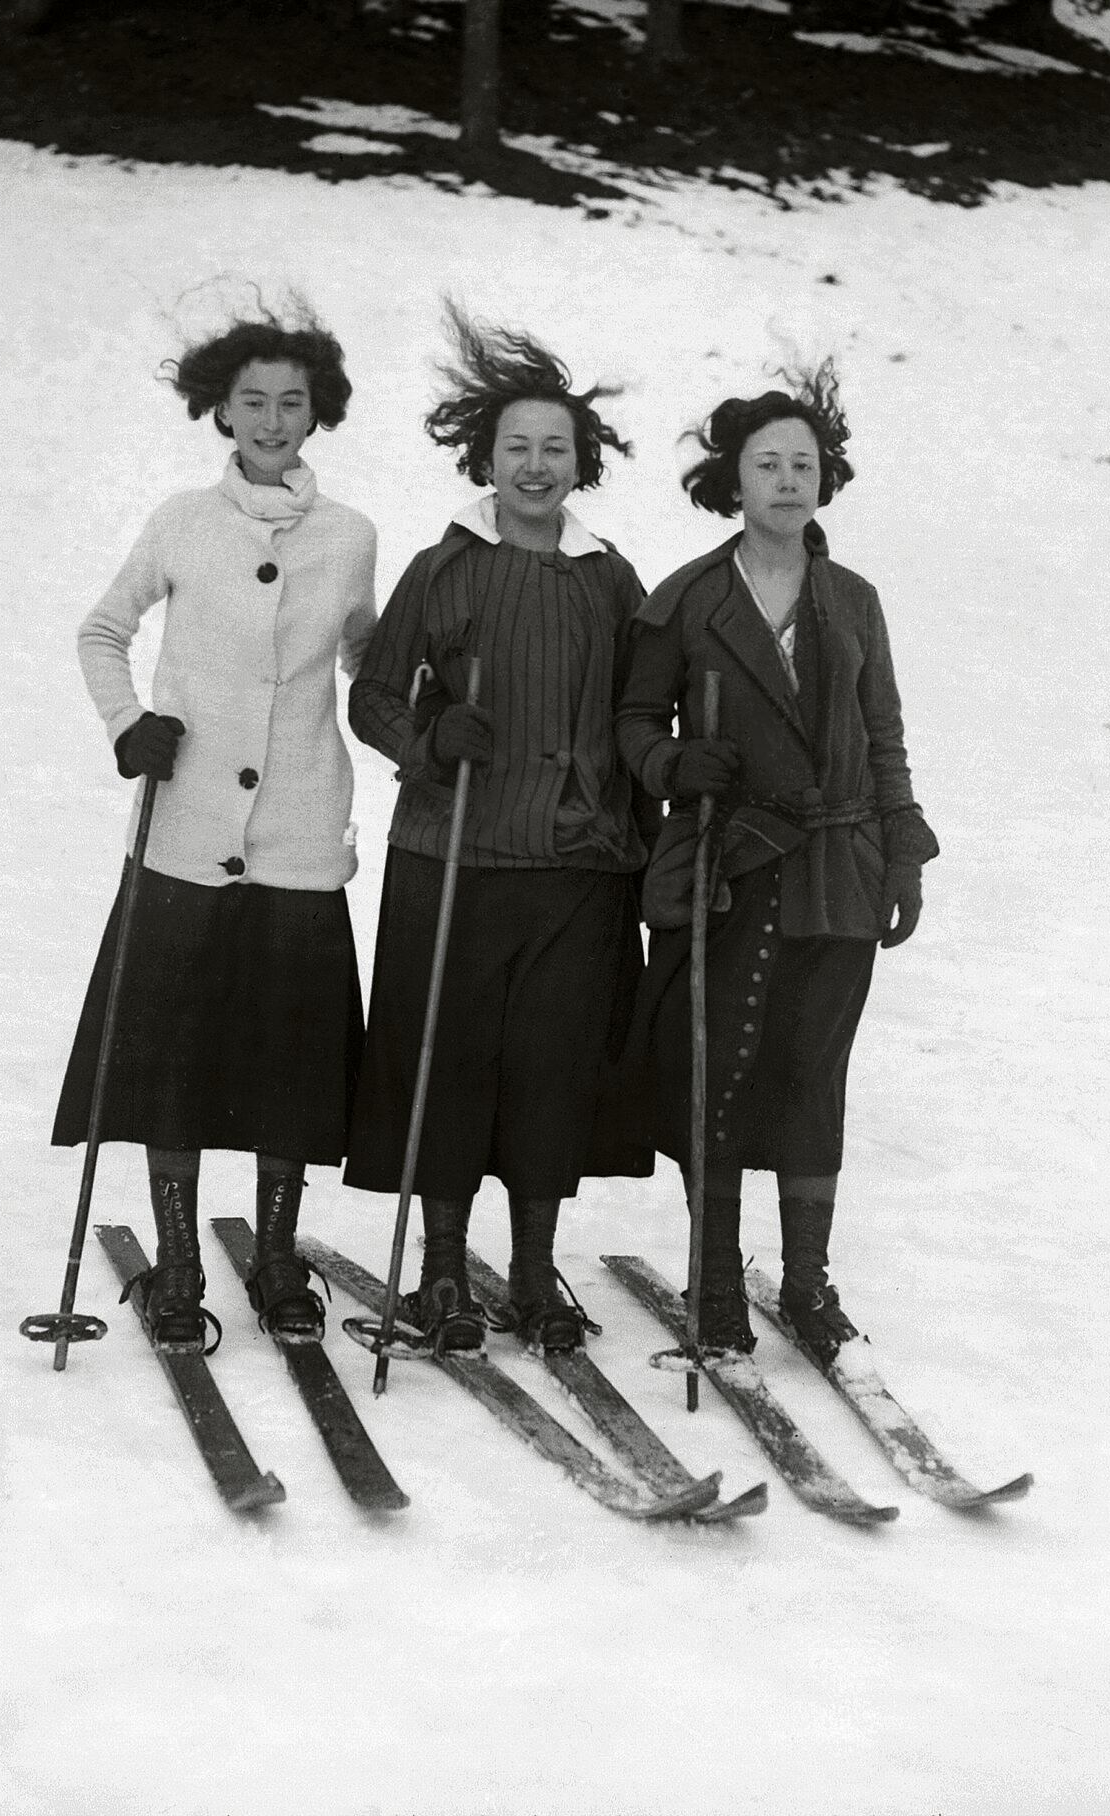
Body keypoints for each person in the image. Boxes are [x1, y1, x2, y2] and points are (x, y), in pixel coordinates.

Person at [55, 307, 379, 1350]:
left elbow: (365, 659)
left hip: (295, 830)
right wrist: (128, 723)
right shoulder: (181, 521)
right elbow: (104, 630)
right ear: (221, 411)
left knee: (290, 1054)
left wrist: (420, 689)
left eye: (291, 402)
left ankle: (280, 1256)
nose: (273, 420)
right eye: (253, 402)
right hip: (186, 827)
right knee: (176, 1056)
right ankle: (181, 1258)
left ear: (316, 411)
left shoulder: (349, 536)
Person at [343, 302, 656, 1355]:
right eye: (516, 447)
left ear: (583, 463)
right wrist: (432, 737)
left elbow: (642, 713)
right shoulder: (445, 568)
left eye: (553, 449)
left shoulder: (613, 579)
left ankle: (530, 1270)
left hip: (578, 866)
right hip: (456, 852)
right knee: (452, 1063)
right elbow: (374, 698)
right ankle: (440, 1270)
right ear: (485, 457)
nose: (534, 465)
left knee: (550, 1069)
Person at [613, 366, 938, 1359]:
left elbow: (882, 732)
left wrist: (904, 844)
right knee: (721, 1069)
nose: (787, 481)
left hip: (840, 869)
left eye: (803, 464)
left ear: (822, 479)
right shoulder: (687, 598)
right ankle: (715, 1282)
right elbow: (632, 720)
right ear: (735, 479)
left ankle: (806, 1283)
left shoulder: (854, 601)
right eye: (768, 464)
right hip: (731, 865)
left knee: (813, 1073)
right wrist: (673, 760)